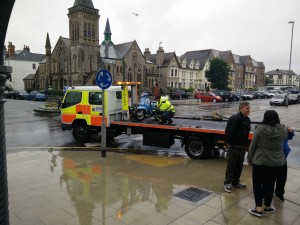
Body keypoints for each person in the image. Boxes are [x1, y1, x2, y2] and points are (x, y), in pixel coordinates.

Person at [248, 110, 287, 217]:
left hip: (260, 160)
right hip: (277, 162)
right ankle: (267, 206)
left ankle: (258, 209)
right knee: (270, 184)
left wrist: (250, 158)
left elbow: (253, 146)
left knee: (257, 184)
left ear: (265, 118)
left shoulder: (260, 129)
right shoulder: (283, 130)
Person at [224, 101, 251, 193]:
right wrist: (230, 144)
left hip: (242, 147)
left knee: (239, 166)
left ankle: (236, 182)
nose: (249, 110)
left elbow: (246, 134)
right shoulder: (235, 118)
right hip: (234, 146)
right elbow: (228, 132)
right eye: (247, 108)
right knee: (231, 165)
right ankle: (227, 183)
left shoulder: (247, 119)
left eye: (249, 108)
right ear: (241, 108)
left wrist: (245, 145)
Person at [275, 126, 295, 201]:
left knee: (282, 177)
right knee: (272, 177)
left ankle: (279, 193)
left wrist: (291, 132)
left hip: (283, 158)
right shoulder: (274, 133)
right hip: (275, 158)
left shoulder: (283, 132)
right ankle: (266, 194)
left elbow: (289, 137)